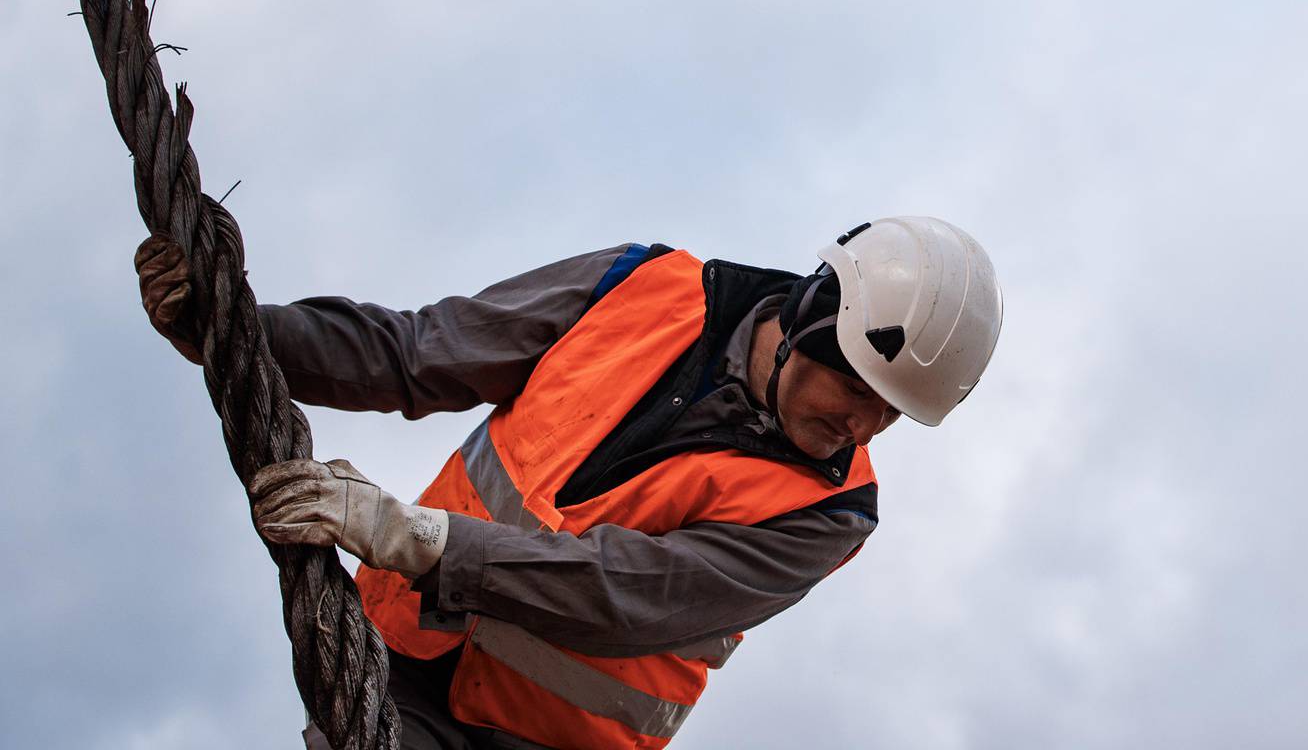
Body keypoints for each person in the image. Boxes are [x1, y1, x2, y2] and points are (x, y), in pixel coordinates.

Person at [135, 217, 1004, 750]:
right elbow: (413, 354)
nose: (864, 427)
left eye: (891, 415)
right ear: (816, 317)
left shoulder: (832, 513)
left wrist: (416, 538)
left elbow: (628, 595)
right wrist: (230, 330)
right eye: (858, 390)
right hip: (391, 666)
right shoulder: (639, 288)